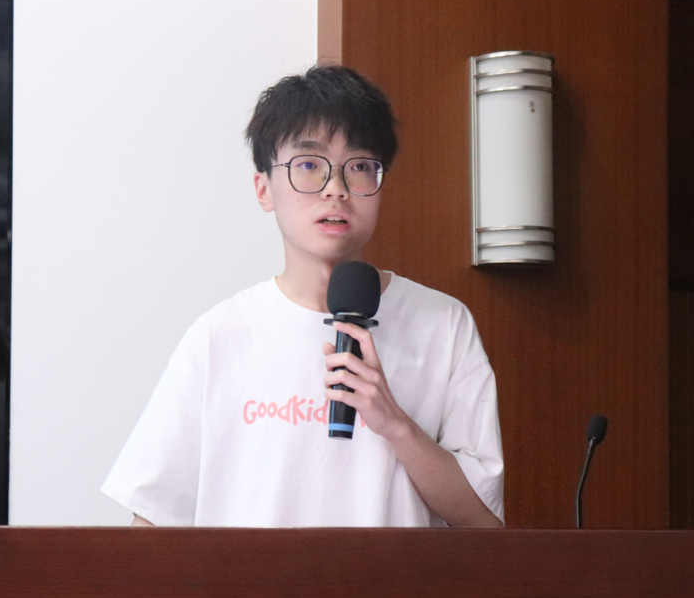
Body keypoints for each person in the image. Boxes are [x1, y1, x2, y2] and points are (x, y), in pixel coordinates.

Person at [101, 65, 503, 528]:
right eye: (309, 165)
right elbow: (153, 523)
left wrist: (395, 424)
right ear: (263, 189)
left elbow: (484, 523)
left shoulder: (443, 324)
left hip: (396, 580)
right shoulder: (220, 336)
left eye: (359, 167)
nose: (336, 189)